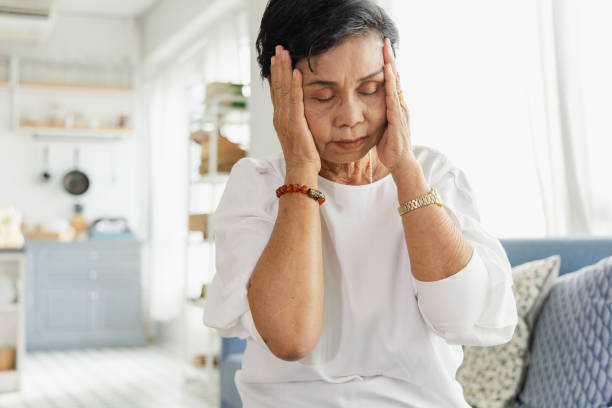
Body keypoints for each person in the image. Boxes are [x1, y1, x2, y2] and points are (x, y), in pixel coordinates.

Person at [203, 0, 518, 406]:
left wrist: (404, 168)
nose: (350, 116)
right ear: (281, 94)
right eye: (322, 96)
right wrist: (300, 167)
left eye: (369, 89)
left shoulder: (434, 174)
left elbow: (460, 319)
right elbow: (290, 338)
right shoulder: (256, 186)